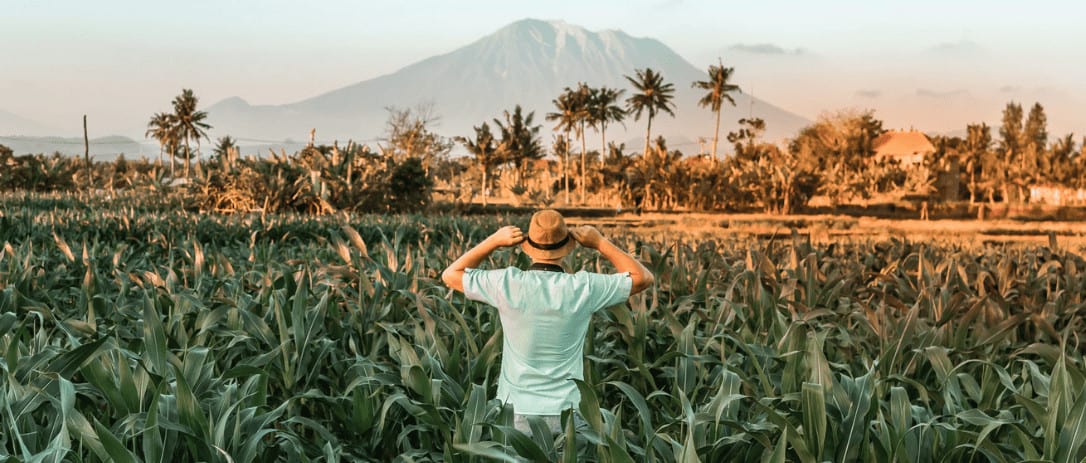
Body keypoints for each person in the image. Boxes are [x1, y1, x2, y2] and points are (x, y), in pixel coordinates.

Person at [441, 209, 654, 436]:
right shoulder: (583, 288)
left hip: (515, 414)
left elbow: (450, 274)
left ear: (526, 245)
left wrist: (494, 241)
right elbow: (643, 278)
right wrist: (600, 242)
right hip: (568, 415)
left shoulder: (507, 283)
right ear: (568, 246)